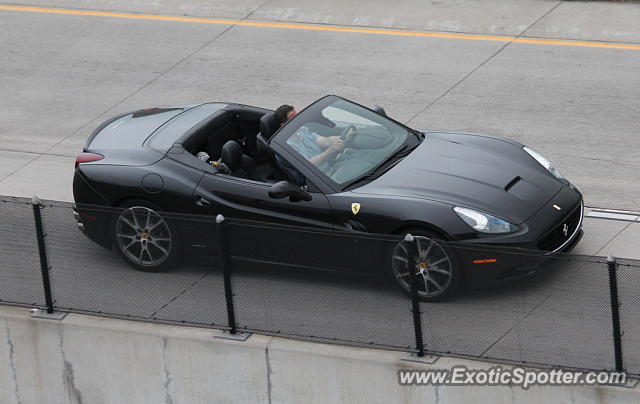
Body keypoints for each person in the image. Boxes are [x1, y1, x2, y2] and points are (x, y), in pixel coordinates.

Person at [273, 105, 352, 171]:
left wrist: (344, 136)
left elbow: (324, 141)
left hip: (331, 168)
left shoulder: (302, 131)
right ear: (283, 125)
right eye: (293, 118)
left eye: (297, 115)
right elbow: (307, 165)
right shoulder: (287, 145)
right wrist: (330, 151)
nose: (298, 119)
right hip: (320, 178)